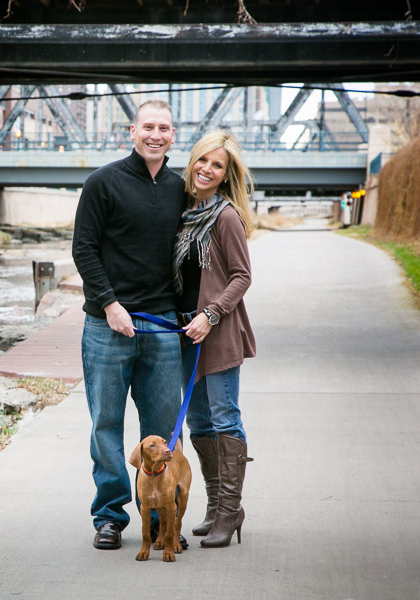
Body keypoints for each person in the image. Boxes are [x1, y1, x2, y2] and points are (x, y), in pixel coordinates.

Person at [72, 99, 187, 550]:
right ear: (132, 132)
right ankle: (110, 516)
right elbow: (84, 249)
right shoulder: (103, 183)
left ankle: (159, 520)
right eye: (148, 127)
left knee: (162, 428)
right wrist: (109, 304)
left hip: (161, 326)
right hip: (107, 325)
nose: (156, 135)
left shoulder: (181, 188)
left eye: (165, 128)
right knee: (107, 424)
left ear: (172, 136)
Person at [174, 131, 256, 548]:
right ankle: (214, 507)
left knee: (224, 417)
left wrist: (211, 313)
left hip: (218, 332)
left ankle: (230, 510)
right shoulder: (187, 212)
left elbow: (243, 276)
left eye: (217, 165)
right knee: (198, 421)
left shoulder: (225, 217)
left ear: (226, 175)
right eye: (202, 160)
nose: (207, 168)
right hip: (186, 333)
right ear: (192, 162)